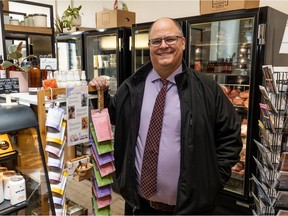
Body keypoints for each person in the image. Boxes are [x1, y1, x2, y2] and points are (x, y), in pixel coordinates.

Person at [89, 17, 242, 215]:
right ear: (149, 45)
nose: (163, 46)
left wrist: (211, 182)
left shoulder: (207, 90)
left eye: (170, 39)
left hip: (190, 209)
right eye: (156, 41)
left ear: (183, 42)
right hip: (140, 206)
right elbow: (112, 115)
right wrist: (99, 93)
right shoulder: (132, 86)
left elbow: (230, 138)